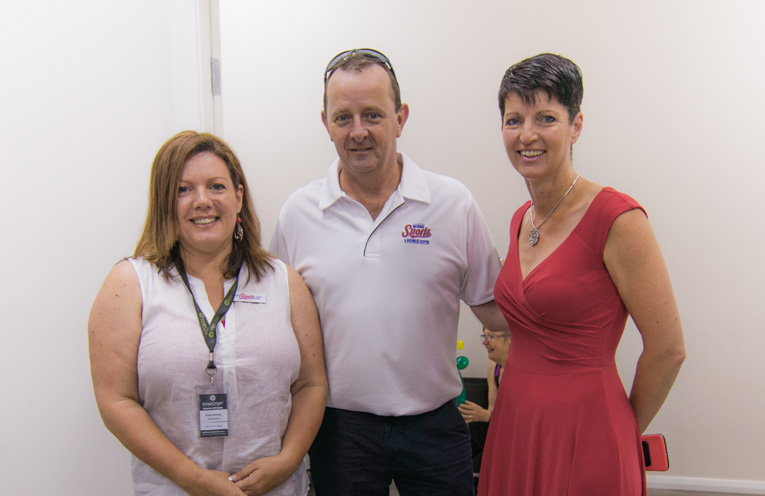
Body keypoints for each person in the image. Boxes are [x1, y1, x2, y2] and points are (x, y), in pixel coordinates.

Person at [270, 48, 509, 495]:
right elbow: (276, 327)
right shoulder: (298, 214)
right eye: (343, 117)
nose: (358, 131)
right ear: (326, 124)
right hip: (339, 430)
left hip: (435, 427)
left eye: (373, 115)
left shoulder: (452, 204)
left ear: (400, 119)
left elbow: (497, 311)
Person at [478, 53, 686, 495]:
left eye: (546, 118)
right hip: (515, 424)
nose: (527, 134)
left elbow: (668, 350)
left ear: (576, 126)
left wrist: (617, 432)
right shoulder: (520, 219)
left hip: (587, 430)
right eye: (514, 120)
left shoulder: (618, 219)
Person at [88, 131, 327, 496]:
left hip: (277, 489)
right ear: (164, 202)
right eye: (183, 190)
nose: (202, 201)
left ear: (238, 197)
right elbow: (116, 400)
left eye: (216, 186)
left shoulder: (284, 282)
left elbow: (311, 385)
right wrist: (195, 479)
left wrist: (288, 460)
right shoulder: (130, 283)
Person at [459, 328, 510, 425]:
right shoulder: (493, 367)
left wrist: (487, 415)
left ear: (510, 339)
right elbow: (492, 410)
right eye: (484, 336)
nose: (484, 341)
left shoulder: (526, 373)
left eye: (490, 336)